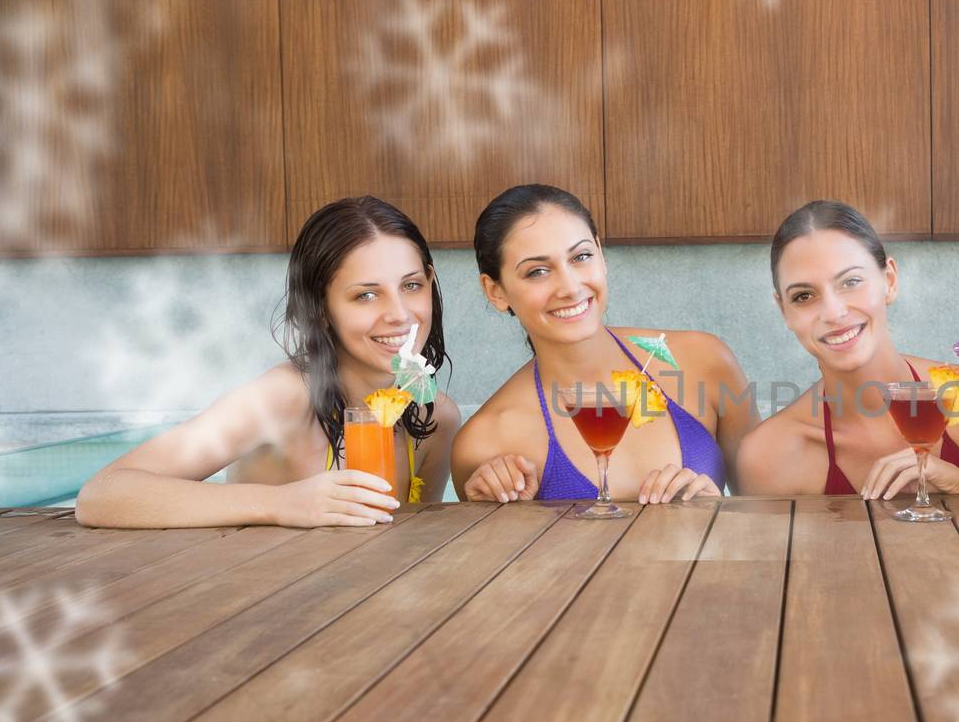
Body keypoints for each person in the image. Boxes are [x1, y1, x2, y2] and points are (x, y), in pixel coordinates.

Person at [76, 196, 461, 528]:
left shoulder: (435, 417)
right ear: (320, 307)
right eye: (365, 295)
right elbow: (103, 494)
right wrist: (282, 504)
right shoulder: (284, 398)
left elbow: (408, 540)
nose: (399, 314)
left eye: (411, 286)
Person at [452, 184, 756, 504]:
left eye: (581, 256)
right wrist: (504, 516)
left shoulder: (703, 361)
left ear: (600, 253)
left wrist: (719, 511)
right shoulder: (485, 442)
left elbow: (766, 521)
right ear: (495, 291)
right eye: (537, 271)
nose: (570, 287)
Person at [737, 200, 959, 498]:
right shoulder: (767, 458)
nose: (833, 313)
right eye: (803, 296)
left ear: (889, 280)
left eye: (851, 281)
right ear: (784, 311)